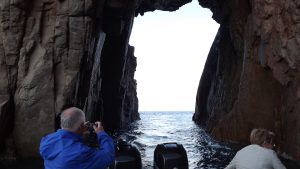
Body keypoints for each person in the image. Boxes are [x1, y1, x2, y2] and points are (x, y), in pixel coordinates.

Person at [39, 107, 115, 169]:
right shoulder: (81, 152)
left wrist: (80, 135)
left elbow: (65, 149)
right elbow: (108, 156)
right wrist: (101, 133)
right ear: (81, 126)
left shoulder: (47, 140)